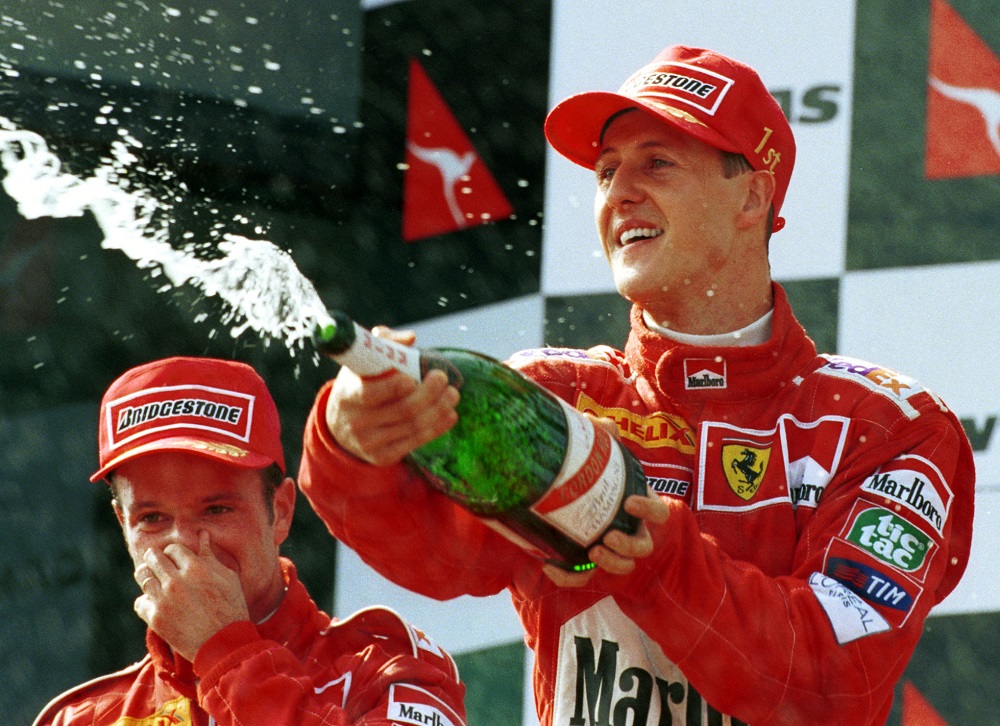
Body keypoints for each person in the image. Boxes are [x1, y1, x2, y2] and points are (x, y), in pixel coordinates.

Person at [297, 45, 975, 725]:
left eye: (657, 163)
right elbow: (436, 552)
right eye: (607, 171)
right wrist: (352, 443)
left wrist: (661, 563)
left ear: (752, 196)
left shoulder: (885, 426)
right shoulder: (558, 395)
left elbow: (828, 683)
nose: (618, 193)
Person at [33, 356, 467, 726]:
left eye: (216, 509)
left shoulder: (389, 667)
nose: (183, 543)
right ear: (123, 526)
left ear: (281, 511)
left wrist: (225, 652)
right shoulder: (81, 718)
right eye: (152, 518)